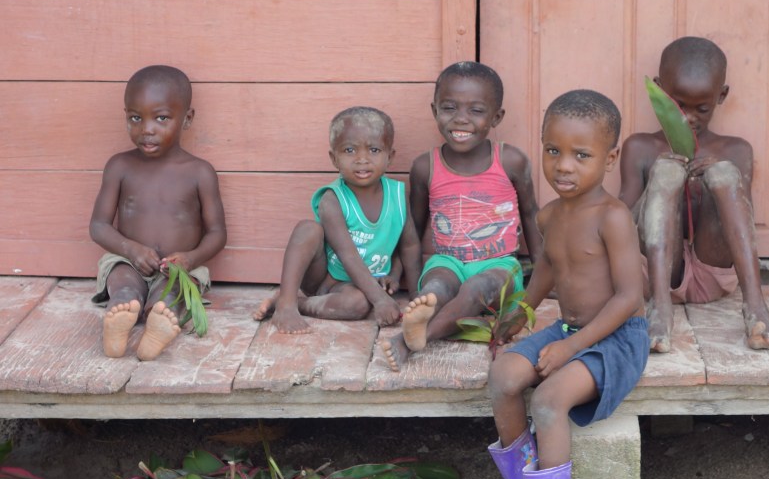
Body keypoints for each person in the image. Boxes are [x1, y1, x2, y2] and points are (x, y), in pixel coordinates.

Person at [487, 89, 648, 479]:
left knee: (549, 399)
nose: (564, 166)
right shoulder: (551, 214)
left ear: (610, 157)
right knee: (504, 376)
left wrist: (571, 346)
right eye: (553, 151)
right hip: (569, 330)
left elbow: (629, 297)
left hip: (616, 338)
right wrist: (520, 312)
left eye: (582, 155)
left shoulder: (613, 217)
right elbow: (550, 270)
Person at [619, 36, 769, 353]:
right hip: (655, 277)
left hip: (713, 275)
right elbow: (621, 220)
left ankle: (755, 306)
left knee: (724, 172)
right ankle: (661, 310)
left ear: (722, 96)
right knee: (666, 171)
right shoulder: (640, 147)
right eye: (677, 106)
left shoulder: (735, 149)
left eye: (702, 108)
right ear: (658, 90)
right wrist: (659, 180)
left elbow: (740, 223)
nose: (688, 118)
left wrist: (716, 174)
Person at [379, 62, 542, 369]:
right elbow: (413, 228)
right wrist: (404, 275)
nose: (461, 119)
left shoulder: (511, 161)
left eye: (476, 111)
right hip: (447, 261)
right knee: (436, 289)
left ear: (496, 118)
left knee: (475, 289)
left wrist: (546, 277)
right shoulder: (425, 166)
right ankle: (424, 315)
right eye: (449, 107)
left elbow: (532, 216)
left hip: (500, 266)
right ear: (434, 109)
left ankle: (412, 339)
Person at [90, 65, 227, 361]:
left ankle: (159, 324)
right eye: (135, 118)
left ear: (187, 119)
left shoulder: (200, 172)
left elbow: (217, 233)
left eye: (161, 118)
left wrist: (191, 258)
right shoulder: (120, 167)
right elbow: (99, 226)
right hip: (127, 259)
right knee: (124, 285)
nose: (146, 129)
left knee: (173, 295)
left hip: (179, 267)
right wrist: (130, 249)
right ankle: (122, 314)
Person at [255, 107, 420, 334]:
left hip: (358, 286)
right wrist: (380, 299)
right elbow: (348, 255)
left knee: (357, 304)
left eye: (373, 150)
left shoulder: (398, 196)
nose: (362, 160)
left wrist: (414, 294)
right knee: (308, 229)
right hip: (328, 278)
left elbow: (408, 245)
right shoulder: (332, 200)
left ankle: (292, 304)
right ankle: (287, 303)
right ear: (334, 158)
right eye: (350, 150)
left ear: (390, 157)